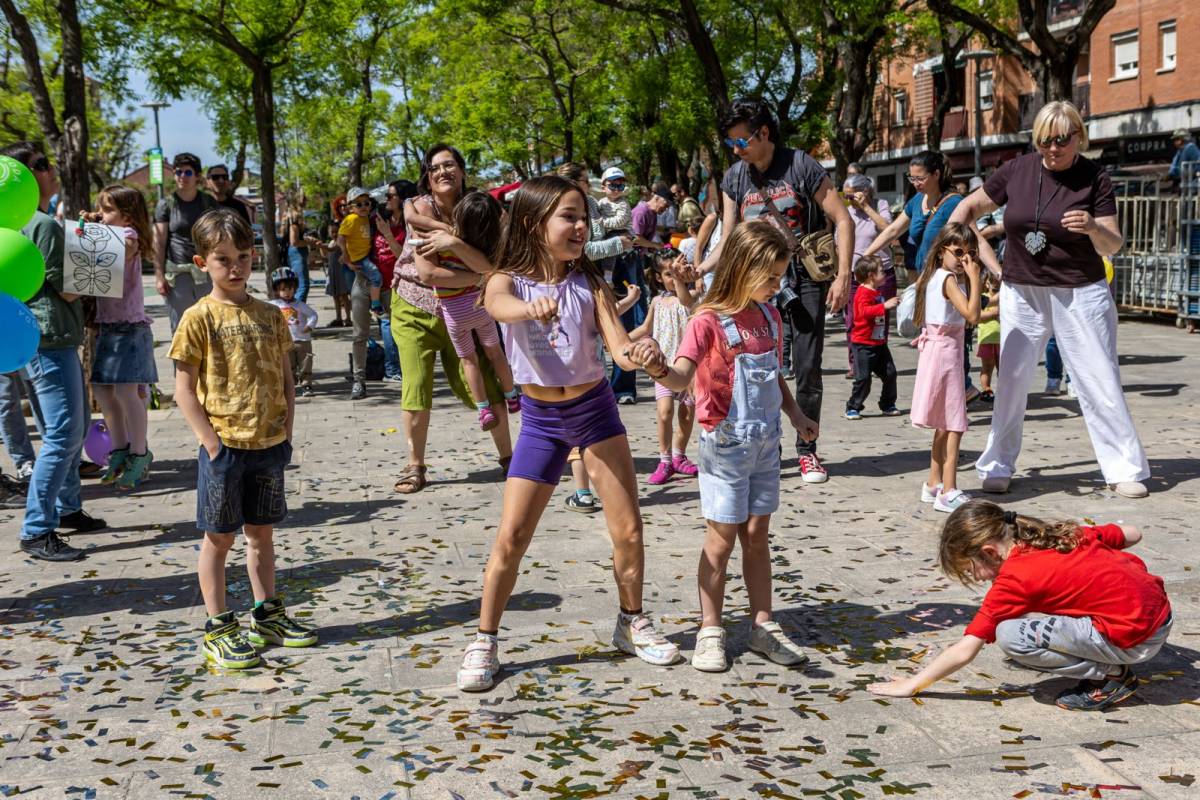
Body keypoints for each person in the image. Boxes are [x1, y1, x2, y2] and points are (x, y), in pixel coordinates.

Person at [456, 176, 678, 692]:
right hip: (539, 421)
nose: (581, 227)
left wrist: (644, 358)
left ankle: (631, 621)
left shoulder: (590, 284)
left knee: (628, 530)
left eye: (584, 217)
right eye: (569, 217)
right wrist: (529, 308)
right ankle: (485, 639)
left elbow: (619, 349)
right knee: (511, 538)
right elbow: (498, 307)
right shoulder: (506, 280)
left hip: (595, 412)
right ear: (536, 223)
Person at [949, 101, 1150, 499]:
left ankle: (1123, 467)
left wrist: (1092, 227)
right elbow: (968, 209)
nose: (1052, 149)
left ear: (1078, 136)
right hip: (1022, 290)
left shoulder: (1095, 177)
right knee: (1012, 379)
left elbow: (1115, 242)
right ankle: (997, 464)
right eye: (1044, 141)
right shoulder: (1017, 169)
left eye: (1061, 140)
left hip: (1080, 290)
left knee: (1098, 378)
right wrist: (982, 259)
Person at [650, 219, 819, 672]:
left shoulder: (770, 316)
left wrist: (796, 415)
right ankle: (710, 629)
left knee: (758, 537)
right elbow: (683, 376)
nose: (777, 285)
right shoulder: (705, 322)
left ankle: (763, 625)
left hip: (767, 445)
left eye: (780, 276)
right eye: (770, 277)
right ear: (741, 269)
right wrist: (658, 370)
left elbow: (773, 377)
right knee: (721, 541)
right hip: (724, 447)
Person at [168, 209, 317, 670]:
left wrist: (287, 428)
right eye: (223, 259)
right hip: (226, 447)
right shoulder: (198, 317)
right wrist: (211, 443)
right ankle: (217, 626)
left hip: (269, 445)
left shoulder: (272, 315)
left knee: (262, 535)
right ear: (202, 262)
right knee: (219, 539)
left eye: (244, 257)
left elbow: (287, 378)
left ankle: (267, 613)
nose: (235, 268)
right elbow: (182, 389)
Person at [869, 501, 1172, 712]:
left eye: (971, 569)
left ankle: (1114, 676)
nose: (975, 578)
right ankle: (1111, 652)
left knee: (1012, 635)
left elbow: (966, 649)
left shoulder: (1015, 578)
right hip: (1160, 614)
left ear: (989, 551)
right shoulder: (1057, 535)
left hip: (1136, 636)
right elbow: (1133, 533)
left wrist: (914, 683)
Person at [698, 98, 854, 483]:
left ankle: (807, 449)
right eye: (731, 144)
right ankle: (767, 448)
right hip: (755, 283)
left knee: (806, 366)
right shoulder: (735, 177)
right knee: (755, 366)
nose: (737, 151)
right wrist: (701, 267)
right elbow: (730, 234)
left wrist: (843, 275)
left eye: (741, 142)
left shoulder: (800, 165)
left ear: (763, 133)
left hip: (803, 278)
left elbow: (843, 218)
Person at [378, 143, 513, 493]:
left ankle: (510, 458)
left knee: (484, 377)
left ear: (463, 170)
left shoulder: (480, 207)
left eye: (449, 164)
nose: (443, 172)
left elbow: (496, 261)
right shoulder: (420, 209)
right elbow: (429, 274)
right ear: (427, 175)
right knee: (416, 385)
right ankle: (415, 465)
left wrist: (453, 242)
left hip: (467, 307)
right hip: (414, 308)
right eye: (435, 167)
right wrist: (480, 272)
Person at [3, 141, 105, 562]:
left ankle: (67, 508)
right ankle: (36, 527)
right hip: (53, 339)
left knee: (63, 430)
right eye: (40, 165)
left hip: (35, 340)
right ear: (25, 178)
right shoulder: (43, 224)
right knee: (65, 433)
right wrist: (99, 249)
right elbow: (69, 287)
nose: (51, 170)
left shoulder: (19, 222)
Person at [414, 190, 519, 431]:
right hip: (480, 308)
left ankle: (483, 409)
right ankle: (512, 396)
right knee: (495, 354)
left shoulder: (442, 242)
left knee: (469, 361)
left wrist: (411, 206)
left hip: (454, 314)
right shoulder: (484, 247)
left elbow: (427, 267)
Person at [88, 185, 158, 490]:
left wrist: (92, 229)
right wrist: (95, 223)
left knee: (129, 394)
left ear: (126, 216)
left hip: (129, 329)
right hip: (108, 326)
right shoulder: (111, 232)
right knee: (103, 392)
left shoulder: (128, 237)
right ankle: (119, 449)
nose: (102, 216)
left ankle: (139, 453)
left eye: (107, 210)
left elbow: (121, 248)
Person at [911, 223, 982, 513]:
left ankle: (933, 482)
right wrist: (976, 279)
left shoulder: (938, 277)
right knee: (954, 422)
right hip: (946, 352)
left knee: (944, 421)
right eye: (958, 252)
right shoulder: (949, 279)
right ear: (943, 252)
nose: (964, 259)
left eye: (970, 254)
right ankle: (949, 489)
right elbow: (972, 315)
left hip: (940, 349)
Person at [628, 251, 700, 485]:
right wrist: (622, 341)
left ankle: (680, 455)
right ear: (659, 278)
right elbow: (646, 328)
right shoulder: (657, 302)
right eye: (669, 274)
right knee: (665, 412)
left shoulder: (693, 297)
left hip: (689, 369)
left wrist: (682, 279)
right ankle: (665, 459)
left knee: (687, 415)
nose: (673, 278)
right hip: (663, 367)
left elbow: (685, 301)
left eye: (676, 273)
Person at [154, 153, 219, 332]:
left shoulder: (208, 202)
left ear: (197, 176)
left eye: (188, 172)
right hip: (178, 275)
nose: (182, 176)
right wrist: (159, 276)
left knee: (209, 327)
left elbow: (218, 237)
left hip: (206, 273)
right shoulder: (165, 205)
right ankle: (181, 362)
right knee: (182, 329)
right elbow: (159, 243)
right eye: (178, 172)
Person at [843, 173, 895, 375]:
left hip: (881, 274)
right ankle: (855, 363)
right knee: (853, 319)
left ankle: (878, 362)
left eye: (851, 196)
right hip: (856, 275)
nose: (848, 200)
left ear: (864, 192)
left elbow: (889, 230)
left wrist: (866, 207)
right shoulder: (846, 213)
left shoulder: (880, 205)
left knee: (880, 319)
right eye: (845, 196)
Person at [372, 180, 419, 382]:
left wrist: (388, 235)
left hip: (401, 283)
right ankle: (393, 369)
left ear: (403, 198)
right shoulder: (383, 219)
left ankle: (397, 369)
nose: (387, 199)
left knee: (394, 326)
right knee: (387, 324)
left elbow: (403, 256)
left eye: (391, 196)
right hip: (380, 282)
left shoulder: (411, 225)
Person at [844, 256, 901, 421]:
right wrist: (884, 306)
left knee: (890, 373)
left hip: (879, 343)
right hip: (863, 345)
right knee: (863, 378)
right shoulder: (863, 292)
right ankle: (853, 406)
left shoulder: (877, 291)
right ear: (871, 275)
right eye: (881, 271)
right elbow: (862, 312)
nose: (884, 273)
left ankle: (887, 404)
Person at [269, 267, 318, 397]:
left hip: (302, 340)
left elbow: (313, 315)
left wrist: (309, 326)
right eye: (283, 289)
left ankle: (306, 384)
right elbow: (266, 318)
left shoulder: (299, 305)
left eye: (290, 289)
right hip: (285, 341)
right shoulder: (274, 305)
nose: (287, 292)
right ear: (277, 290)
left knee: (305, 362)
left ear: (295, 289)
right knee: (288, 365)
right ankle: (290, 386)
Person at [277, 190, 311, 302]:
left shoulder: (289, 216)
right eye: (303, 198)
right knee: (303, 285)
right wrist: (309, 242)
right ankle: (296, 312)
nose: (306, 200)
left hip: (294, 254)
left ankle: (295, 313)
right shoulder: (295, 220)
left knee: (297, 286)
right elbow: (294, 241)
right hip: (297, 253)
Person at [976, 272, 1001, 402]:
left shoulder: (1004, 298)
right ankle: (986, 389)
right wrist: (994, 313)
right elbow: (977, 317)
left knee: (1003, 367)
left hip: (1003, 340)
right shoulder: (983, 298)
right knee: (987, 367)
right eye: (994, 285)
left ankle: (1004, 390)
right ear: (987, 283)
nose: (997, 288)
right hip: (987, 338)